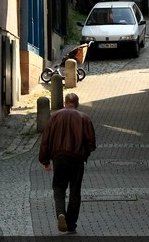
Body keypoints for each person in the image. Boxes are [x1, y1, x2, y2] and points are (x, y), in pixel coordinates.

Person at [39, 92, 97, 233]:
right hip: (77, 159)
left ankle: (60, 213)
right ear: (77, 104)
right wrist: (85, 153)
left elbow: (46, 140)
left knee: (59, 187)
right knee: (75, 191)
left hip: (59, 158)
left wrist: (45, 160)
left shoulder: (54, 117)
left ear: (65, 103)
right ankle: (71, 224)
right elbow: (91, 142)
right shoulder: (84, 118)